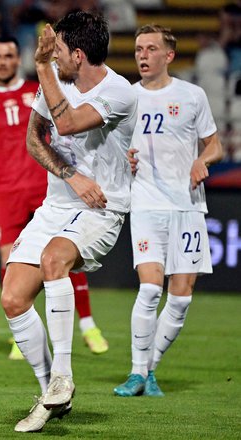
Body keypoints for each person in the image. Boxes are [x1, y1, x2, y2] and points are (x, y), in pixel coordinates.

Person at [3, 11, 137, 432]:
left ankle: (62, 374)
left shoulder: (120, 92)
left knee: (54, 259)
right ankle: (51, 395)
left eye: (57, 49)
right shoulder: (55, 79)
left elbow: (67, 124)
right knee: (12, 298)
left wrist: (42, 66)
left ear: (77, 55)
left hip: (102, 206)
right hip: (56, 204)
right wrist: (70, 175)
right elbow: (34, 138)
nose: (50, 54)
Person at [0, 35, 110, 362]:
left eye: (9, 55)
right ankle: (21, 334)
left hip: (48, 189)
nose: (2, 61)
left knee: (64, 256)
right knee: (10, 262)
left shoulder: (39, 88)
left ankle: (87, 324)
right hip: (6, 192)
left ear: (18, 59)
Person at [113, 24, 223, 398]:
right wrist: (121, 159)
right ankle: (135, 372)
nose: (142, 55)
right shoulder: (125, 97)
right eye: (139, 49)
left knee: (181, 296)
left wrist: (202, 161)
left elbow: (215, 145)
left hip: (188, 205)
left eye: (150, 49)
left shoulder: (192, 96)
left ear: (168, 56)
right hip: (145, 203)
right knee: (149, 288)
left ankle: (149, 370)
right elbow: (112, 150)